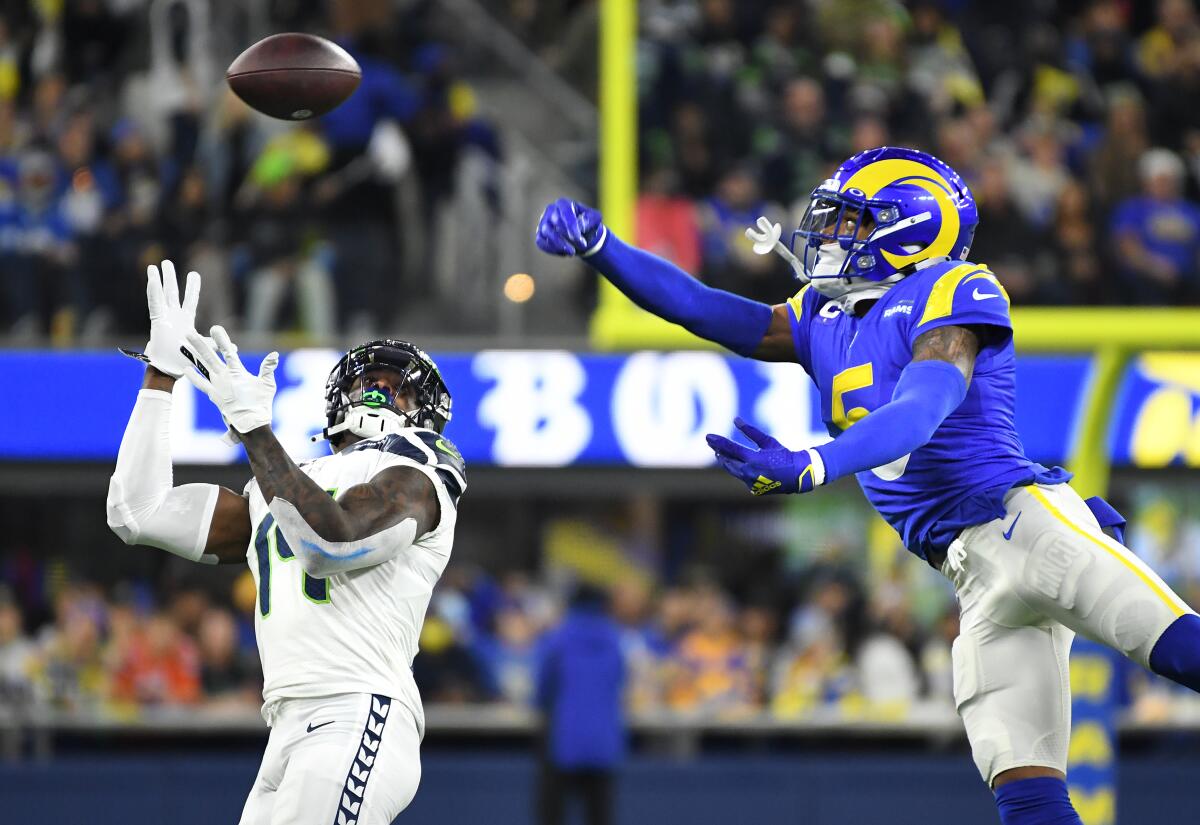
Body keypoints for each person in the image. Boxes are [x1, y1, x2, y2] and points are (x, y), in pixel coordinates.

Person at [535, 146, 1200, 825]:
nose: (830, 236)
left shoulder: (952, 288)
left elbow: (921, 408)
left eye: (852, 222)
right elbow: (704, 309)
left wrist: (818, 462)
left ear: (910, 228)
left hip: (1025, 526)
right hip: (971, 577)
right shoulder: (822, 316)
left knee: (1181, 649)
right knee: (1028, 798)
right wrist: (604, 248)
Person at [105, 261, 467, 825]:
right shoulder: (282, 483)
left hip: (357, 712)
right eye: (363, 382)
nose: (375, 390)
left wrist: (253, 429)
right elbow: (136, 511)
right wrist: (161, 376)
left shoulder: (416, 477)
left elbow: (332, 545)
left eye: (395, 388)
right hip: (285, 729)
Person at [535, 585, 625, 825]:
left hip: (563, 739)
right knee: (600, 815)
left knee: (552, 813)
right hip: (603, 741)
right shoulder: (613, 638)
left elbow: (543, 688)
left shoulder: (559, 638)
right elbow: (619, 679)